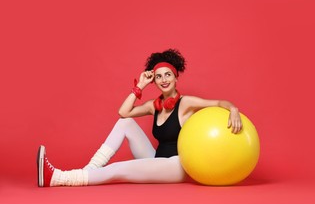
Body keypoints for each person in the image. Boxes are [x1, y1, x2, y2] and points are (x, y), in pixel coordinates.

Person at [37, 48, 242, 187]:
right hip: (155, 159)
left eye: (168, 75)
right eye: (159, 76)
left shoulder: (185, 103)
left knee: (120, 169)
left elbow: (219, 103)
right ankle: (89, 170)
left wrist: (233, 109)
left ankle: (59, 177)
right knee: (124, 123)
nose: (163, 80)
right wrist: (141, 86)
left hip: (176, 166)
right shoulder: (155, 106)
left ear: (176, 77)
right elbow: (123, 113)